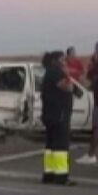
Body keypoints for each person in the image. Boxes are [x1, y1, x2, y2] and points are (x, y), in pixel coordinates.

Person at [40, 50, 75, 185]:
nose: (65, 62)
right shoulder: (56, 73)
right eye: (63, 59)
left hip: (50, 113)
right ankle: (61, 176)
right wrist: (67, 73)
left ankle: (49, 174)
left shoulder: (49, 72)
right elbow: (68, 87)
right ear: (56, 61)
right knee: (60, 145)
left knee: (50, 145)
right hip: (59, 115)